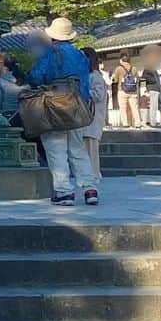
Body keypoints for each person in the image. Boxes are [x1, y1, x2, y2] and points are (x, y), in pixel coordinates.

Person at [26, 18, 99, 205]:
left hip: (54, 106)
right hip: (77, 107)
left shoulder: (49, 54)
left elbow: (36, 77)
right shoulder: (80, 55)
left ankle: (64, 191)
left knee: (56, 148)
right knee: (77, 149)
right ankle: (90, 189)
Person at [81, 47, 108, 181]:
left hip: (92, 119)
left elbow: (98, 95)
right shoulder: (90, 75)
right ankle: (90, 175)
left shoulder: (95, 76)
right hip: (88, 119)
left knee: (91, 150)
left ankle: (93, 175)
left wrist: (82, 93)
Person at [116, 53, 141, 128]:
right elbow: (138, 79)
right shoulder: (134, 68)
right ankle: (137, 123)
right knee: (134, 108)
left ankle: (125, 123)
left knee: (123, 108)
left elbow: (116, 80)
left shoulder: (118, 68)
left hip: (122, 90)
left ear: (121, 60)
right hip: (133, 91)